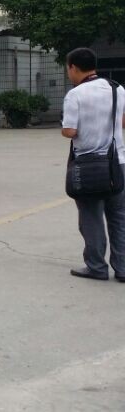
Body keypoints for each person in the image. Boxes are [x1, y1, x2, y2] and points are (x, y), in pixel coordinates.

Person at [62, 47, 125, 282]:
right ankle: (123, 268)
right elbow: (122, 121)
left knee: (91, 217)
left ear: (73, 67)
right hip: (118, 163)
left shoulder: (75, 94)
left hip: (88, 166)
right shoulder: (117, 89)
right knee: (119, 217)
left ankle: (97, 267)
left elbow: (70, 131)